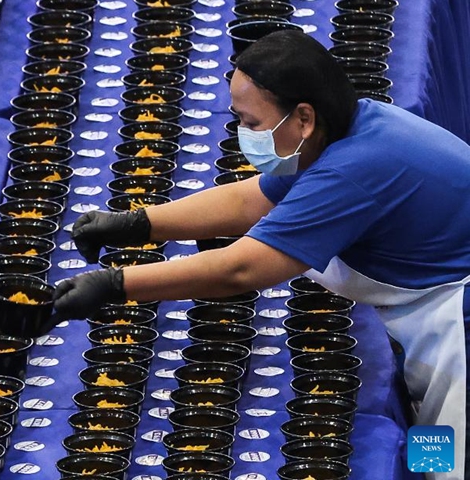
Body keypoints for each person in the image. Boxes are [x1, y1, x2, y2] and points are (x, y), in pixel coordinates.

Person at [52, 30, 470, 479]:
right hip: (427, 316)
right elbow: (250, 201)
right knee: (429, 428)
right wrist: (138, 223)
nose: (242, 134)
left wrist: (114, 285)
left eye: (251, 123)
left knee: (450, 465)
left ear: (303, 117)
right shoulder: (345, 131)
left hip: (455, 323)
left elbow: (241, 268)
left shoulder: (355, 171)